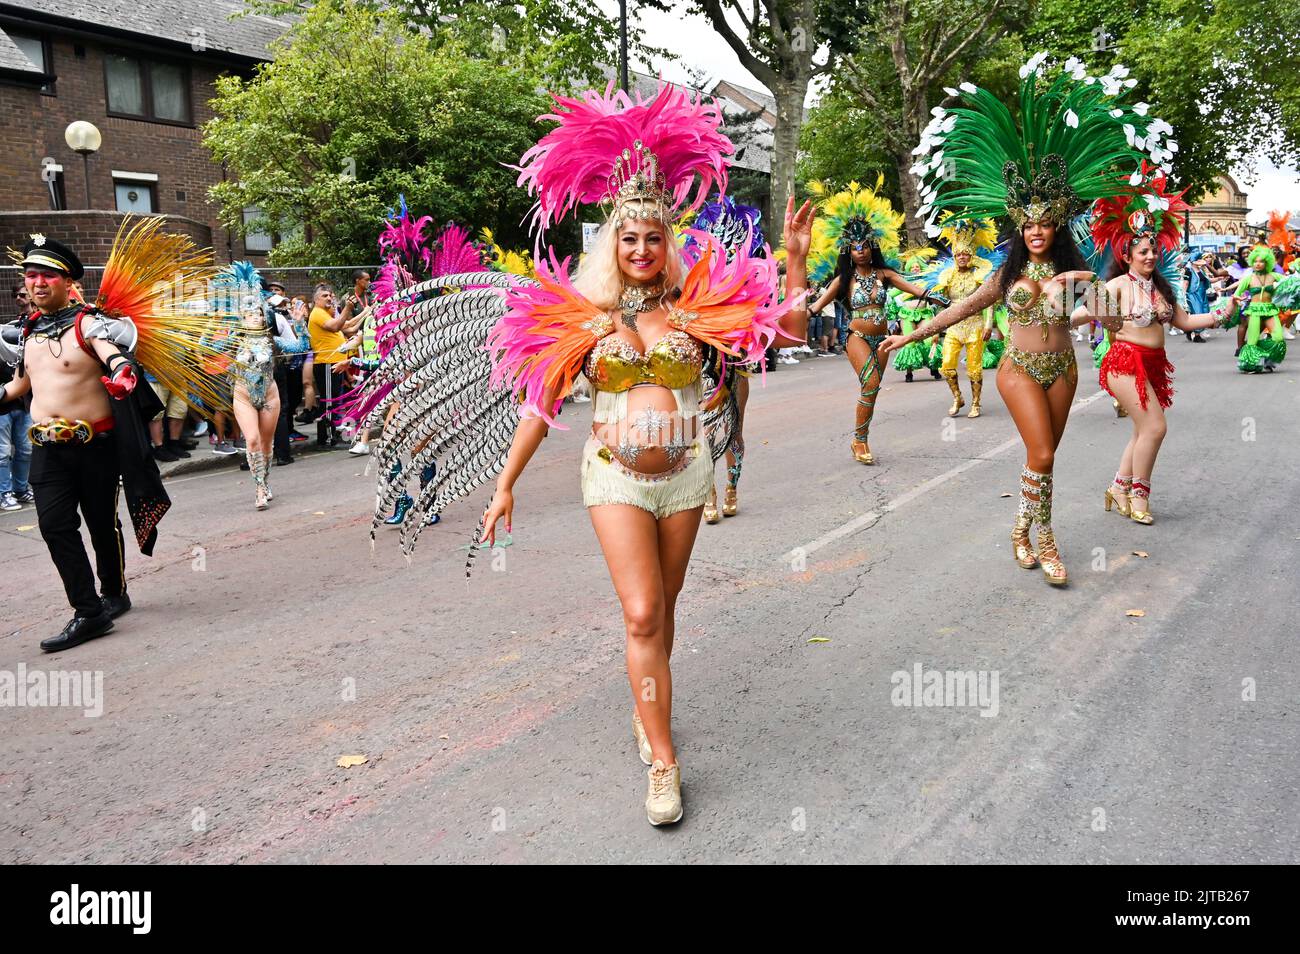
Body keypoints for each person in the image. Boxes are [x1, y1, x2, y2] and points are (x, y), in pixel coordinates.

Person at [358, 82, 813, 826]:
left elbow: (783, 335)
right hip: (613, 481)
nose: (640, 249)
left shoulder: (698, 308)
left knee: (664, 609)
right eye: (627, 238)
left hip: (687, 477)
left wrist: (793, 262)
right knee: (640, 614)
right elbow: (539, 403)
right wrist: (504, 486)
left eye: (652, 237)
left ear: (669, 243)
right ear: (612, 243)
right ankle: (664, 763)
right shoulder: (581, 315)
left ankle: (650, 707)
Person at [882, 52, 1167, 586]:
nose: (1036, 231)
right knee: (1039, 450)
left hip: (1063, 368)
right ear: (1019, 227)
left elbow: (1107, 322)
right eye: (1027, 224)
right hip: (1018, 368)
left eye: (1044, 223)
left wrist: (1083, 285)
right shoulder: (1004, 276)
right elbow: (958, 308)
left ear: (1056, 226)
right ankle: (1048, 544)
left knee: (1046, 459)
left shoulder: (1077, 270)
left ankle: (1019, 531)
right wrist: (910, 336)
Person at [0, 235, 162, 650]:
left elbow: (113, 354)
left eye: (46, 276)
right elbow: (20, 385)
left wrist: (123, 371)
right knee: (54, 526)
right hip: (47, 449)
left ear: (66, 281)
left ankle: (114, 594)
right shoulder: (28, 333)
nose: (36, 283)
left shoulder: (87, 323)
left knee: (100, 524)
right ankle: (89, 612)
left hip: (95, 446)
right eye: (31, 276)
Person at [1089, 168, 1223, 524]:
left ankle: (1119, 487)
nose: (1150, 256)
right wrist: (1077, 298)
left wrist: (1220, 314)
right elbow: (1086, 311)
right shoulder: (1117, 285)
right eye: (1143, 251)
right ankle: (1139, 495)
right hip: (1123, 360)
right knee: (1155, 427)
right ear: (1128, 255)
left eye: (1153, 250)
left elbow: (1185, 322)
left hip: (1152, 362)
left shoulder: (1162, 288)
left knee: (1141, 429)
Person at [805, 178, 946, 464]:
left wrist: (934, 296)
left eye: (866, 245)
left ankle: (861, 436)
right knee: (870, 382)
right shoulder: (843, 280)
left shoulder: (884, 275)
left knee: (872, 388)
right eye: (855, 246)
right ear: (848, 250)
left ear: (873, 247)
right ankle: (860, 441)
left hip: (882, 339)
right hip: (856, 336)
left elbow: (913, 287)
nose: (861, 250)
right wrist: (791, 315)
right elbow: (816, 307)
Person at [919, 214, 1003, 418]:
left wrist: (988, 326)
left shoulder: (979, 275)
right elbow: (940, 307)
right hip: (954, 326)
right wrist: (935, 329)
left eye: (966, 254)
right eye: (959, 255)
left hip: (975, 324)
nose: (962, 258)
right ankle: (958, 397)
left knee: (974, 368)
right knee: (947, 366)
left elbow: (988, 301)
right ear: (955, 258)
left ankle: (976, 402)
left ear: (971, 256)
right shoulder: (946, 278)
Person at [307, 284, 360, 447]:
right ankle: (329, 438)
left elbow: (347, 325)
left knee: (335, 400)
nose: (329, 298)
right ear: (316, 299)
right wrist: (348, 307)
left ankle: (332, 436)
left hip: (336, 363)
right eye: (324, 296)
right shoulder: (317, 313)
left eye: (330, 295)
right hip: (326, 363)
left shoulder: (325, 314)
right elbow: (337, 326)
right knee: (329, 401)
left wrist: (366, 312)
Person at [1, 289, 34, 512]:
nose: (20, 299)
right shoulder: (7, 331)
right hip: (2, 408)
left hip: (23, 403)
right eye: (18, 295)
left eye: (24, 294)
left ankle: (21, 489)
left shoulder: (20, 330)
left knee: (25, 449)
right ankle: (5, 492)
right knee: (2, 453)